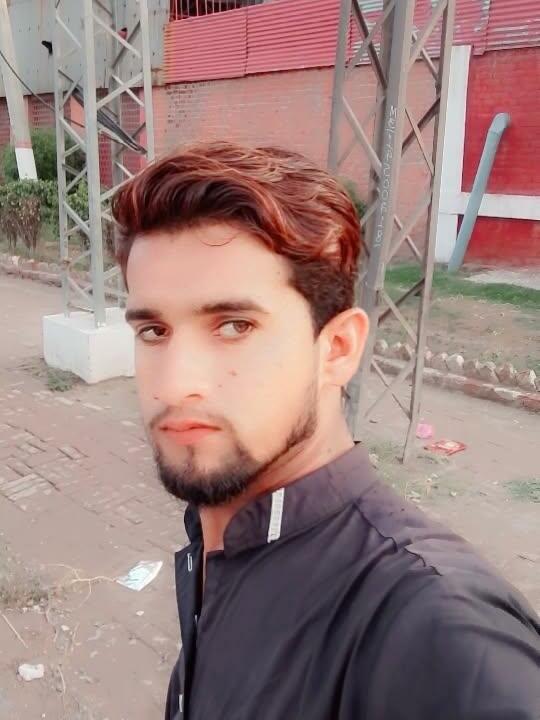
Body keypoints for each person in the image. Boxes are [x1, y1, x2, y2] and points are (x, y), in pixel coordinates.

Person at [112, 141, 540, 720]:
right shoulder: (218, 533)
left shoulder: (439, 634)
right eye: (154, 331)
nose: (174, 383)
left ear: (338, 348)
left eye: (234, 326)